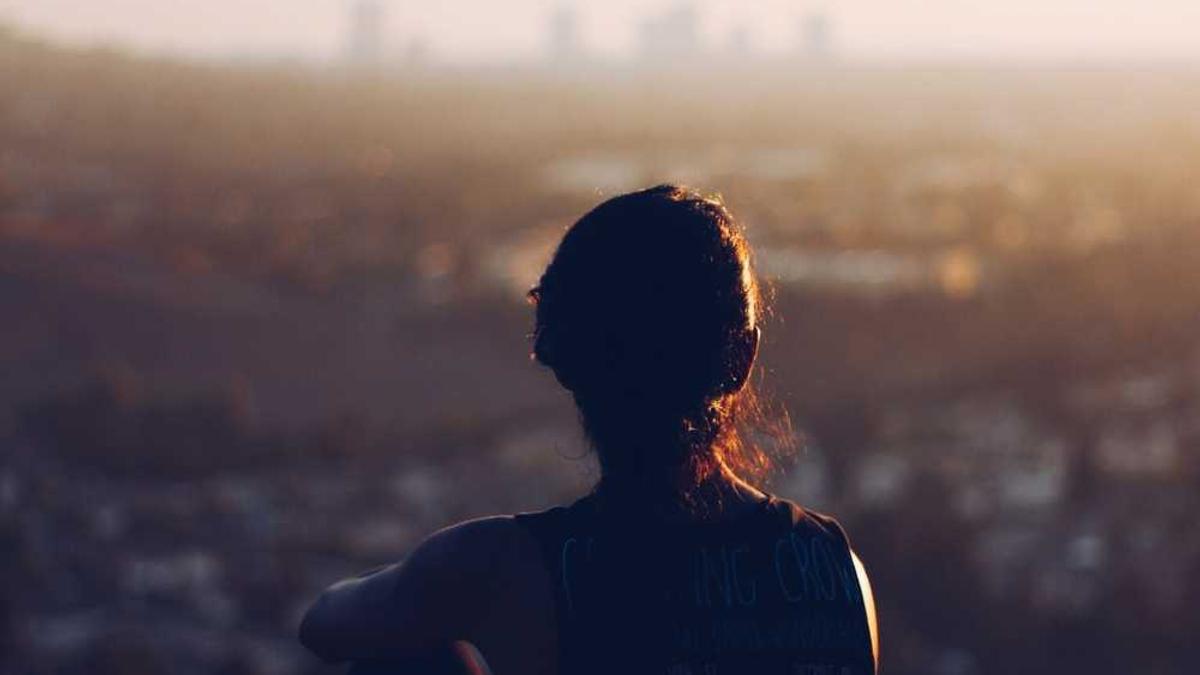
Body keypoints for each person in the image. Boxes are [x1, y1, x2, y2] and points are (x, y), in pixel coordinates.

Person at [299, 185, 879, 675]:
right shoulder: (834, 569)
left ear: (565, 361)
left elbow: (324, 623)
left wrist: (435, 588)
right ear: (742, 360)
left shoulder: (504, 569)